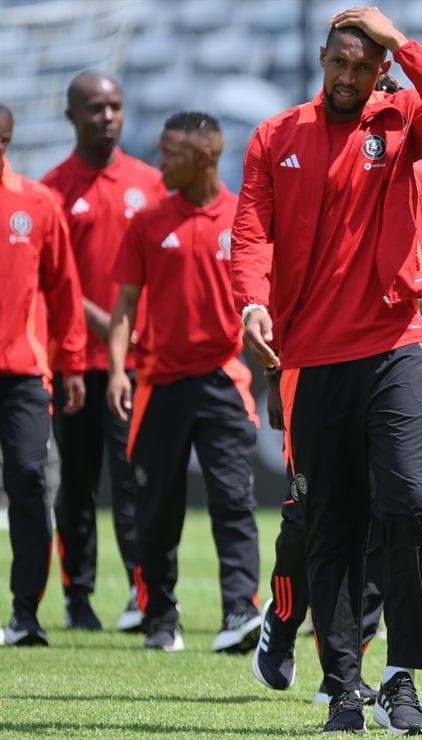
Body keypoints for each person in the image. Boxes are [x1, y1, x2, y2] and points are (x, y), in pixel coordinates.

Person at [230, 7, 422, 735]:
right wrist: (250, 304)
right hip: (309, 358)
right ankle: (343, 686)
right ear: (321, 58)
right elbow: (250, 230)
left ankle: (401, 676)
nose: (345, 75)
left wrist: (402, 40)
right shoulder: (275, 136)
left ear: (381, 71)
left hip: (397, 343)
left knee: (409, 504)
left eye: (361, 65)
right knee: (330, 524)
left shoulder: (401, 121)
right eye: (336, 61)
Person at [106, 111, 261, 654]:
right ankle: (160, 618)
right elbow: (125, 304)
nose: (160, 162)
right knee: (156, 506)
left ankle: (241, 612)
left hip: (223, 378)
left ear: (204, 157)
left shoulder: (245, 218)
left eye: (170, 153)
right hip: (157, 382)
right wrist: (116, 371)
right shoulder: (147, 221)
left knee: (233, 501)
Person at [41, 70, 166, 633]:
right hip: (75, 364)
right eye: (94, 108)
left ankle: (143, 596)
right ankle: (78, 596)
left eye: (114, 106)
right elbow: (55, 286)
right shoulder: (51, 192)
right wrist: (110, 326)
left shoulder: (150, 183)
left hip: (136, 366)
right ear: (71, 116)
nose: (107, 117)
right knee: (77, 485)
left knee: (134, 481)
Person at [0, 104, 88, 646]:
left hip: (24, 376)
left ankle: (25, 613)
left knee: (31, 485)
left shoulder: (37, 203)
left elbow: (65, 292)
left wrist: (74, 363)